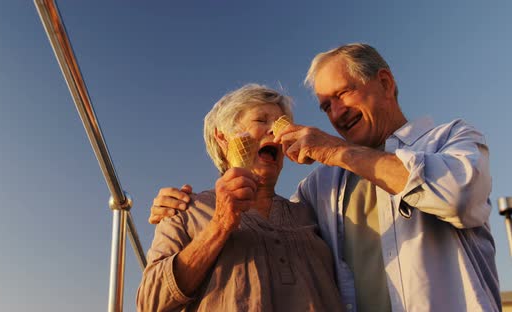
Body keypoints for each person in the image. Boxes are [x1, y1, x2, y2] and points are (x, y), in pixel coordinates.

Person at [149, 43, 501, 311]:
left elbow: (457, 195)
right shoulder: (320, 188)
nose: (336, 113)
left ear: (385, 82)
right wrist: (182, 207)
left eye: (343, 93)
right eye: (325, 106)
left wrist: (335, 150)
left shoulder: (451, 140)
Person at [137, 84, 343, 311]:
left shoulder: (308, 211)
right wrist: (220, 225)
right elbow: (150, 302)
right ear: (222, 137)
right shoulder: (185, 209)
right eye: (261, 121)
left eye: (282, 124)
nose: (276, 132)